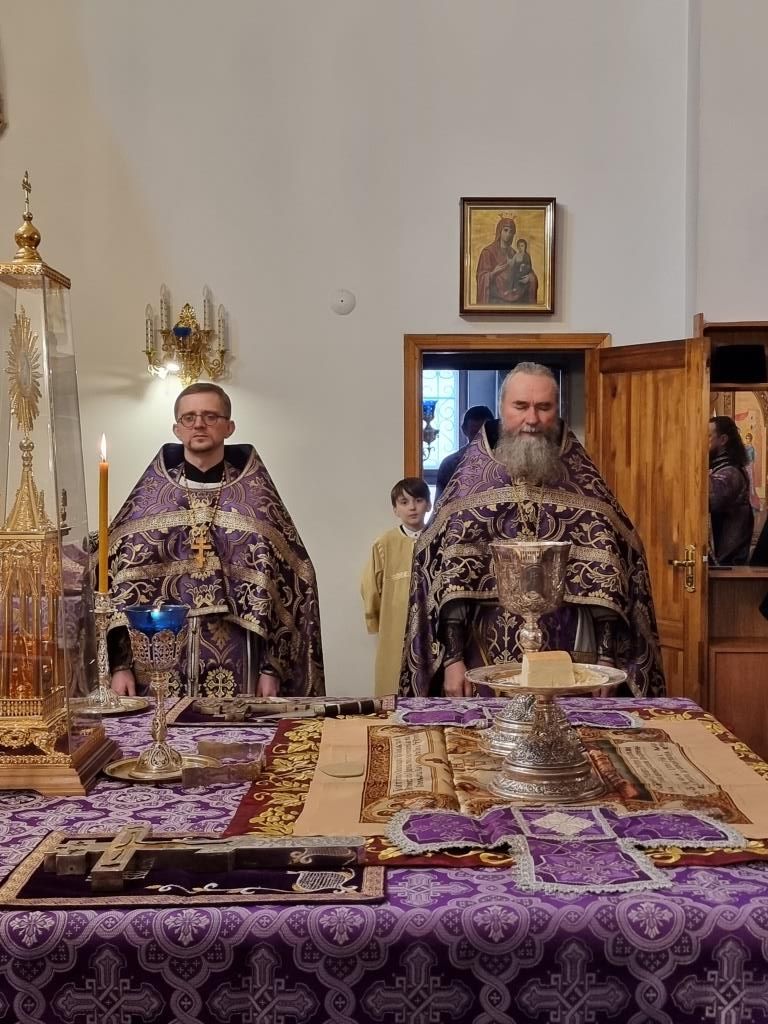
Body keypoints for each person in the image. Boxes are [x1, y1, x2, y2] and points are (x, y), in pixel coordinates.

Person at [401, 362, 664, 699]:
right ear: (502, 408)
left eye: (543, 407)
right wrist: (452, 660)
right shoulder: (469, 483)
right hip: (482, 657)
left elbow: (611, 577)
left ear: (557, 410)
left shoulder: (584, 483)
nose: (532, 419)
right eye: (521, 406)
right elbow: (449, 579)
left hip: (572, 657)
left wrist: (606, 660)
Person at [108, 383, 325, 698]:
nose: (199, 424)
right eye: (189, 417)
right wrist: (119, 665)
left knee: (237, 729)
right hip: (158, 663)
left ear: (229, 427)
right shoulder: (149, 503)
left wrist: (271, 669)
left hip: (241, 661)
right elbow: (114, 586)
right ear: (177, 429)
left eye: (210, 416)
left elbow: (291, 583)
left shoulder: (256, 502)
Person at [361, 478, 431, 696]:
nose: (412, 507)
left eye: (418, 500)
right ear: (395, 509)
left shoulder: (437, 539)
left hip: (430, 625)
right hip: (395, 624)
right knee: (392, 684)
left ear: (429, 504)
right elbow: (370, 587)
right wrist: (377, 621)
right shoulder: (385, 543)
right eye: (404, 502)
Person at [709, 416, 754, 566]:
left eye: (708, 436)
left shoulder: (730, 474)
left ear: (723, 440)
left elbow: (707, 500)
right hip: (722, 566)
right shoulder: (721, 469)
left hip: (728, 566)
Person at [435, 406, 495, 500]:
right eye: (475, 433)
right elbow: (440, 503)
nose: (480, 439)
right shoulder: (450, 463)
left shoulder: (505, 460)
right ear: (464, 430)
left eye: (484, 434)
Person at [475, 217, 538, 305]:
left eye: (511, 232)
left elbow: (528, 271)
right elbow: (481, 277)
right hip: (496, 300)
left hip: (515, 298)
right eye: (505, 230)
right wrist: (493, 273)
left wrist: (530, 278)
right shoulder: (488, 252)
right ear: (499, 231)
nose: (508, 234)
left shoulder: (514, 253)